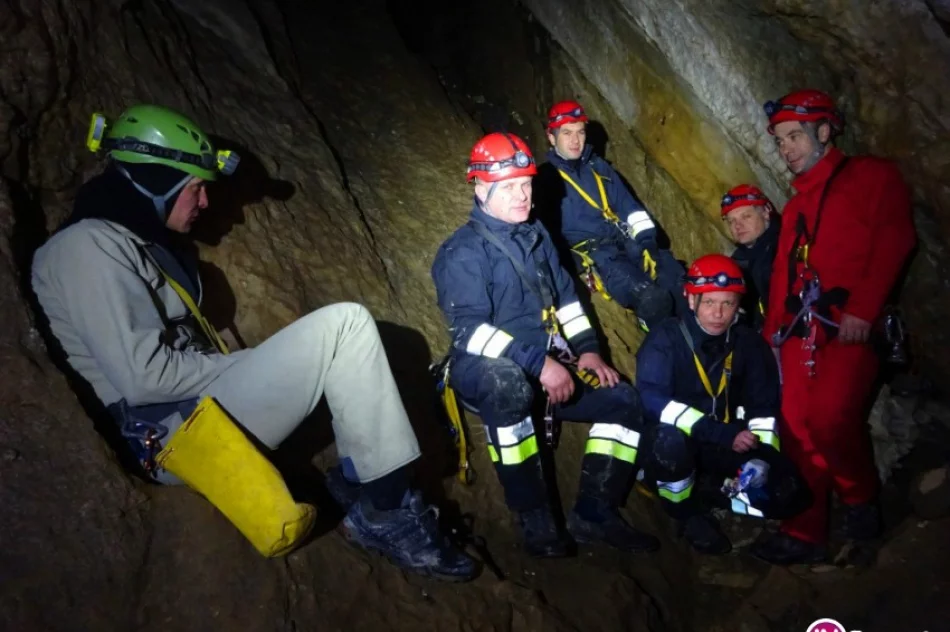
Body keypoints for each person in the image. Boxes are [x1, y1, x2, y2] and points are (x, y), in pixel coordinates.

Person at [31, 104, 477, 581]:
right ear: (157, 179)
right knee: (345, 326)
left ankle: (355, 485)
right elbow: (143, 378)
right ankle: (384, 513)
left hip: (193, 414)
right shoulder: (86, 248)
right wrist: (250, 364)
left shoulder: (131, 244)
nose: (203, 203)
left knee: (342, 346)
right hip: (174, 439)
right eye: (195, 187)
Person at [431, 131, 660, 558]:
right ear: (481, 188)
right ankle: (534, 519)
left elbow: (568, 298)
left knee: (624, 401)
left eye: (527, 184)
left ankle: (595, 512)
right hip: (487, 370)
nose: (523, 195)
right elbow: (468, 331)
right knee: (508, 384)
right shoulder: (463, 252)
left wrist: (588, 349)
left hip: (545, 363)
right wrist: (538, 364)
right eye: (510, 187)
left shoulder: (535, 235)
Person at [750, 89, 917, 565]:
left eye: (794, 136)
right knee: (795, 426)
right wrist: (770, 339)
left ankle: (860, 502)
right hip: (800, 335)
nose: (786, 148)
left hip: (851, 328)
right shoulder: (798, 205)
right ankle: (804, 531)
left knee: (829, 416)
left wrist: (863, 310)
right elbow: (783, 274)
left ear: (824, 132)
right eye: (780, 141)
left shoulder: (871, 176)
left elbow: (894, 238)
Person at [636, 254, 810, 554]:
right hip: (680, 439)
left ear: (737, 306)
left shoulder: (749, 344)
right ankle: (684, 511)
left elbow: (763, 410)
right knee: (669, 444)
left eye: (727, 303)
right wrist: (718, 433)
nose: (718, 313)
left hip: (729, 444)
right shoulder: (666, 339)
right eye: (709, 302)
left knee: (792, 495)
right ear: (691, 301)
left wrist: (763, 455)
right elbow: (655, 402)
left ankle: (711, 492)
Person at [534, 100, 686, 331]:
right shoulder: (545, 179)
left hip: (628, 242)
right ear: (552, 137)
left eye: (580, 132)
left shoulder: (599, 168)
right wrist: (570, 261)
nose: (575, 140)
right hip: (598, 255)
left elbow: (630, 207)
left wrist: (647, 242)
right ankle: (656, 335)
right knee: (652, 298)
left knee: (679, 282)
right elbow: (543, 232)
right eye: (566, 133)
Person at [721, 184, 780, 330]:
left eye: (746, 216)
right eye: (731, 221)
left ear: (766, 212)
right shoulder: (738, 261)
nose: (738, 226)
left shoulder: (786, 246)